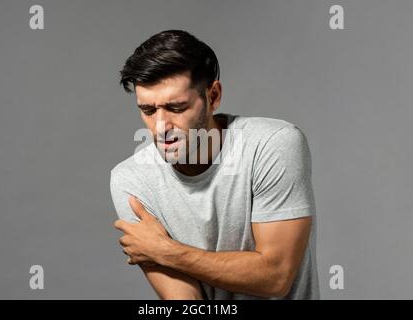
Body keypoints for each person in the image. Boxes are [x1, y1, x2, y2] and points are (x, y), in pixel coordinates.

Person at [110, 29, 319, 300]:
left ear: (213, 96)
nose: (161, 128)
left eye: (176, 108)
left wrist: (166, 251)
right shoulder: (132, 181)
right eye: (148, 111)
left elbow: (275, 277)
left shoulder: (272, 144)